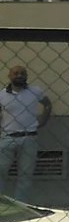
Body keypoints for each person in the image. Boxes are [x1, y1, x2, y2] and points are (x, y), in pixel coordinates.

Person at [1, 64, 52, 198]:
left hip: (29, 137)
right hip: (8, 137)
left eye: (22, 73)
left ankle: (21, 203)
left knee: (26, 175)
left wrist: (43, 121)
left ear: (26, 76)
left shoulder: (35, 91)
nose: (19, 75)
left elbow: (47, 104)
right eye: (16, 73)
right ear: (9, 76)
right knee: (1, 171)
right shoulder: (2, 95)